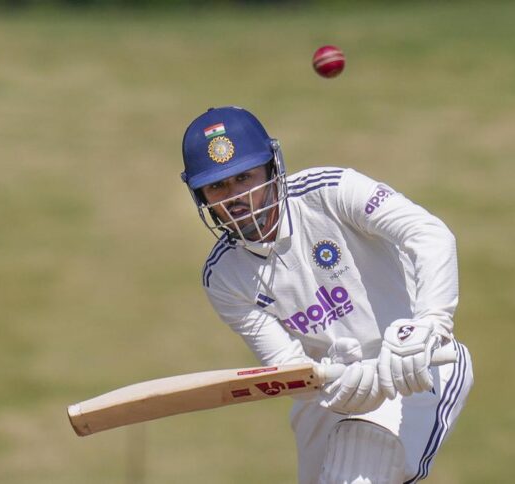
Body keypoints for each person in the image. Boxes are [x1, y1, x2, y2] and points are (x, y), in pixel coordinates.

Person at [180, 106, 473, 484]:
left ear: (271, 168)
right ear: (200, 195)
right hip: (328, 393)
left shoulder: (331, 191)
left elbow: (429, 234)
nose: (236, 197)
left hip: (417, 364)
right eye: (218, 186)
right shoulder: (223, 276)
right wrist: (328, 386)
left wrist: (430, 322)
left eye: (244, 178)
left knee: (361, 467)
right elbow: (287, 367)